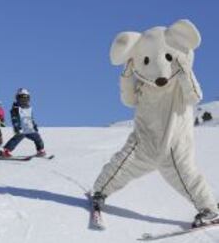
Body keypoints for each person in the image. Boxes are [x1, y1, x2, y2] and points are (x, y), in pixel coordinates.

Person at [91, 19, 219, 227]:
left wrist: (184, 70)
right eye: (147, 61)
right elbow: (129, 100)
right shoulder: (142, 83)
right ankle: (100, 191)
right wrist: (126, 76)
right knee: (119, 165)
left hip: (173, 146)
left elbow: (195, 95)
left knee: (187, 177)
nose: (160, 70)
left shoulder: (179, 83)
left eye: (168, 57)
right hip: (143, 142)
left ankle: (210, 209)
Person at [0, 88, 46, 158]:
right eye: (21, 99)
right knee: (17, 138)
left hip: (29, 128)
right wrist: (17, 127)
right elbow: (14, 119)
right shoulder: (15, 108)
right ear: (17, 99)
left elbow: (31, 118)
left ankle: (40, 150)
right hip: (21, 128)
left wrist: (34, 125)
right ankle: (6, 151)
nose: (24, 101)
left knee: (37, 138)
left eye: (25, 99)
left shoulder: (29, 108)